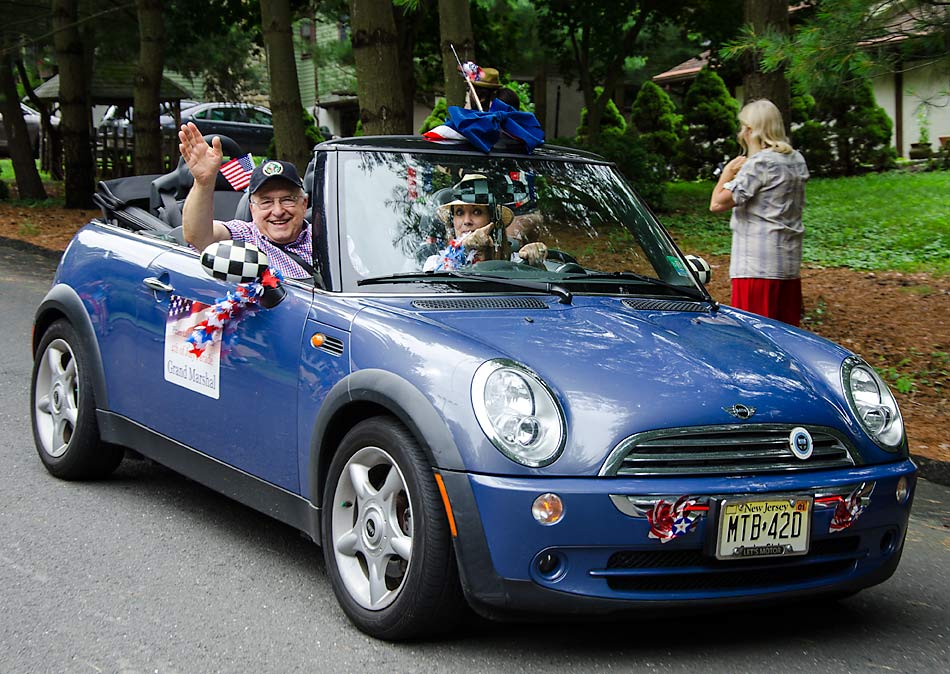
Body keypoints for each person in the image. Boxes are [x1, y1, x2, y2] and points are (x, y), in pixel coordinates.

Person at [709, 99, 809, 326]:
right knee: (785, 336)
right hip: (788, 265)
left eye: (744, 127)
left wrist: (727, 172)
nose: (742, 133)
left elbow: (717, 203)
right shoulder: (796, 159)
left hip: (756, 268)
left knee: (755, 337)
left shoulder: (761, 163)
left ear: (752, 130)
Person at [178, 122, 313, 279]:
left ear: (304, 204)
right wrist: (203, 183)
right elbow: (198, 237)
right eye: (266, 202)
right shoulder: (245, 237)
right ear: (252, 208)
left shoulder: (327, 238)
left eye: (287, 200)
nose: (278, 211)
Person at [423, 173, 547, 271]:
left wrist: (535, 263)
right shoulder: (434, 263)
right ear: (453, 221)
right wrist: (464, 248)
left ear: (492, 220)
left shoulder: (515, 263)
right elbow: (443, 277)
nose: (466, 221)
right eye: (459, 213)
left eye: (477, 212)